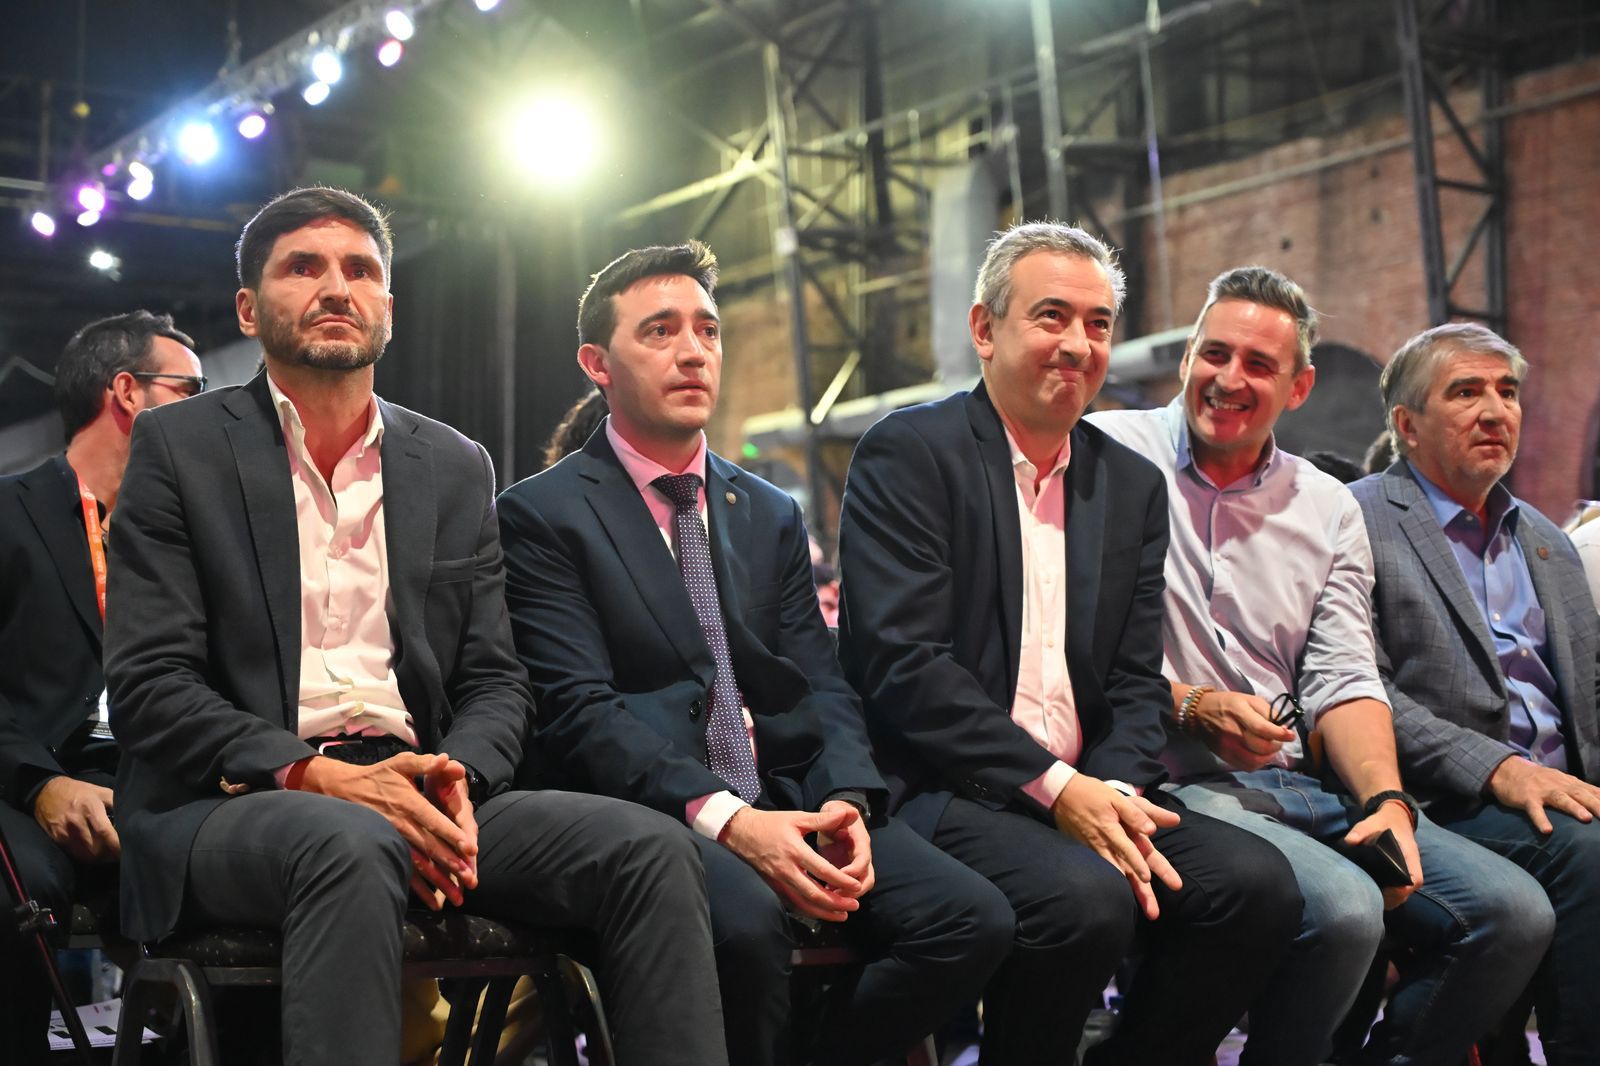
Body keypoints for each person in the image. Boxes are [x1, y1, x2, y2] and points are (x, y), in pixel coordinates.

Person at [103, 187, 728, 1066]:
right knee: (350, 842)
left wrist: (457, 777)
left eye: (362, 271)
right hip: (233, 799)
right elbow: (150, 685)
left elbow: (496, 679)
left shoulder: (452, 462)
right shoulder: (179, 446)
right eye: (303, 268)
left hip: (419, 784)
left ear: (389, 309)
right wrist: (314, 774)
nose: (337, 288)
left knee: (649, 849)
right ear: (248, 309)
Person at [496, 241, 1010, 1066]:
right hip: (654, 813)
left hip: (789, 791)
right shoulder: (542, 514)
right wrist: (731, 821)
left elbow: (820, 679)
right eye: (659, 331)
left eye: (707, 329)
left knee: (969, 920)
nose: (693, 350)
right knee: (744, 924)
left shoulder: (765, 509)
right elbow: (579, 712)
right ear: (597, 364)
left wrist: (847, 798)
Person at [836, 222, 1302, 1065]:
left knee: (1255, 887)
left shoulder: (1128, 484)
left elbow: (1132, 680)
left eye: (1098, 324)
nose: (1078, 344)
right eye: (1052, 316)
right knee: (1085, 900)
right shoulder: (911, 453)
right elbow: (904, 668)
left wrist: (1111, 789)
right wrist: (1059, 791)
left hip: (1087, 786)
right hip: (947, 786)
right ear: (985, 329)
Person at [1088, 267, 1552, 1066]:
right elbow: (1070, 638)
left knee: (1512, 914)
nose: (1229, 379)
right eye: (1214, 353)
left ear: (1299, 387)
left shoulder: (1326, 504)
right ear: (1187, 357)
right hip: (1171, 780)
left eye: (1259, 365)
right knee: (1344, 911)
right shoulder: (1109, 451)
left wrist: (1386, 801)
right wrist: (1191, 702)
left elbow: (1344, 675)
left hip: (1305, 784)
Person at [1353, 321, 1600, 1066]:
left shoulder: (1547, 542)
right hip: (1437, 798)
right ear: (1407, 425)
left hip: (1561, 791)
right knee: (1587, 855)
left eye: (1507, 391)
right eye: (1466, 392)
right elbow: (1359, 688)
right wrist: (1499, 768)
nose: (1496, 411)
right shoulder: (1358, 519)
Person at [0, 310, 202, 1065]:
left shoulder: (193, 541)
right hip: (31, 783)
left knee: (270, 863)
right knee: (17, 886)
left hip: (161, 784)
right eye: (191, 390)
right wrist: (40, 784)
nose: (210, 412)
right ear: (127, 392)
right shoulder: (9, 513)